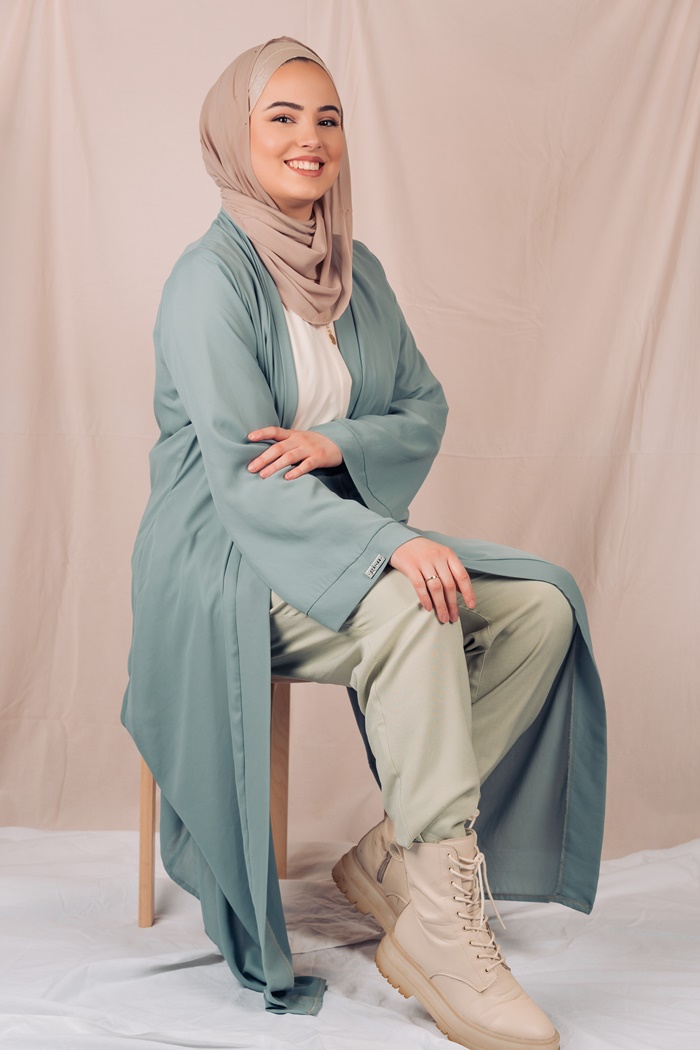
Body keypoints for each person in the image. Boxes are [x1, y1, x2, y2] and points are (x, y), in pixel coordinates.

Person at [122, 36, 606, 1050]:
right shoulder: (207, 283)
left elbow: (422, 407)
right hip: (225, 554)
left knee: (541, 607)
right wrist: (384, 544)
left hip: (338, 531)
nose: (310, 138)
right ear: (234, 136)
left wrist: (339, 444)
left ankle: (395, 853)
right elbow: (241, 476)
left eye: (327, 119)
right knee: (412, 607)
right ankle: (438, 928)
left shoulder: (356, 272)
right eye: (282, 117)